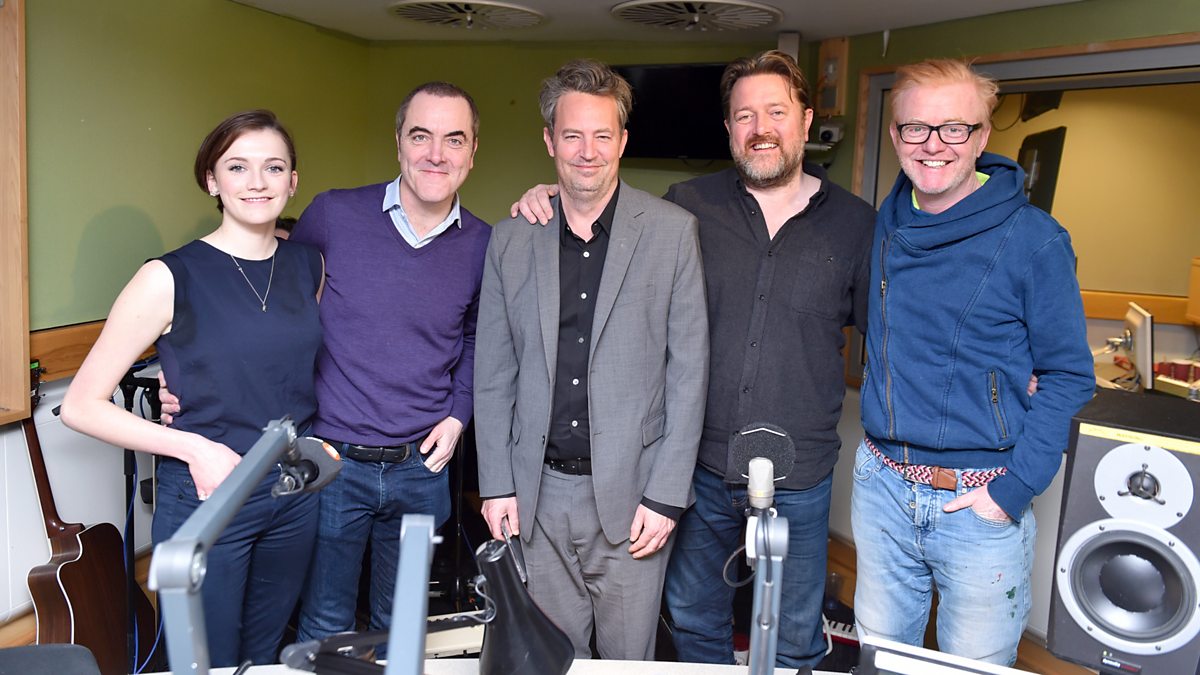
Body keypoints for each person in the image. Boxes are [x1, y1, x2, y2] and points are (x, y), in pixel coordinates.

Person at [511, 50, 876, 669]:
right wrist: (551, 194)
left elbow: (890, 338)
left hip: (803, 471)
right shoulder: (686, 208)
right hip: (698, 467)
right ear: (728, 127)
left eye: (776, 112)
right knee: (692, 618)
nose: (760, 128)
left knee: (794, 635)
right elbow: (602, 214)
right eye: (744, 115)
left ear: (806, 120)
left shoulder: (856, 224)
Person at [852, 58, 1094, 666]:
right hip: (881, 488)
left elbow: (1068, 375)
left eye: (954, 128)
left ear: (982, 136)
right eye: (916, 128)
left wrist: (1013, 489)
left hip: (980, 500)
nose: (933, 145)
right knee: (882, 660)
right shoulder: (882, 225)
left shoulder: (1036, 239)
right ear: (895, 135)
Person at [61, 110, 322, 667]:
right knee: (205, 660)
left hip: (293, 495)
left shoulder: (309, 266)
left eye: (274, 167)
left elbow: (282, 365)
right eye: (238, 167)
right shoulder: (168, 276)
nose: (257, 182)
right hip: (209, 492)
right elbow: (81, 405)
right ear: (212, 180)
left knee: (265, 653)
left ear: (293, 181)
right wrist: (194, 447)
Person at [474, 58, 708, 661]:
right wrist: (496, 484)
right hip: (537, 497)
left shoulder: (672, 233)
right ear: (549, 140)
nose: (587, 151)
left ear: (623, 141)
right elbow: (494, 375)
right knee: (553, 661)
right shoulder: (511, 238)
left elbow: (689, 374)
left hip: (634, 497)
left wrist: (665, 496)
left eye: (602, 135)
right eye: (572, 135)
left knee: (629, 664)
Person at [288, 82, 491, 642]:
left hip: (421, 469)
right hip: (331, 461)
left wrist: (459, 415)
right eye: (421, 136)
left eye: (454, 139)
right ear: (398, 142)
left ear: (473, 152)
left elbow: (477, 337)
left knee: (400, 627)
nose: (436, 154)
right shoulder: (332, 215)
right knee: (324, 624)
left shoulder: (484, 244)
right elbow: (279, 309)